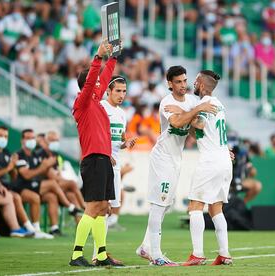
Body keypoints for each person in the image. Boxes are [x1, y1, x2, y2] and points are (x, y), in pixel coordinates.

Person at [135, 66, 217, 266]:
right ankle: (156, 256)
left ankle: (145, 247)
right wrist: (192, 112)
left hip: (176, 159)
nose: (183, 85)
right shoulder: (166, 102)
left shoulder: (190, 101)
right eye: (178, 82)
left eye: (185, 80)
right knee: (159, 205)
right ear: (169, 83)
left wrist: (186, 113)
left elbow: (198, 125)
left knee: (165, 206)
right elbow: (179, 124)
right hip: (162, 158)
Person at [70, 41, 120, 267]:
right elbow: (92, 81)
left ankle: (101, 254)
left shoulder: (96, 103)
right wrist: (97, 59)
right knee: (92, 207)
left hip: (103, 158)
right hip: (93, 160)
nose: (101, 85)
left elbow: (105, 76)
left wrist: (114, 57)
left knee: (103, 208)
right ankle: (76, 254)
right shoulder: (82, 102)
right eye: (98, 83)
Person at [179, 70, 233, 266]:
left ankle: (198, 254)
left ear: (202, 85)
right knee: (216, 208)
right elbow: (209, 133)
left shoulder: (205, 104)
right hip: (224, 160)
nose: (193, 84)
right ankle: (224, 254)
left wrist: (185, 118)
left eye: (195, 81)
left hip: (210, 160)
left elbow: (199, 125)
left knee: (195, 206)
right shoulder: (220, 104)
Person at [90, 75, 137, 266]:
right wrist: (104, 153)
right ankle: (97, 253)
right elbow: (94, 134)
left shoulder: (122, 113)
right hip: (101, 163)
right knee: (99, 208)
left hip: (115, 166)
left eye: (124, 91)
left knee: (107, 210)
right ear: (108, 90)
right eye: (118, 90)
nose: (121, 94)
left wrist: (127, 143)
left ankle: (99, 252)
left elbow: (119, 141)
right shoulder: (101, 107)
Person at [15, 129, 80, 237]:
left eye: (32, 138)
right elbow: (27, 175)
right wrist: (44, 167)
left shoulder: (36, 155)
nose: (31, 140)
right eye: (28, 138)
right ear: (22, 140)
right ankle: (73, 207)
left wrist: (46, 169)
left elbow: (45, 173)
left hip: (36, 185)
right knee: (55, 185)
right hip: (23, 186)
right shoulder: (20, 154)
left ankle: (53, 228)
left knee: (52, 196)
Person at [0, 126, 39, 236]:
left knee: (19, 195)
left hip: (6, 187)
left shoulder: (6, 153)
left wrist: (14, 168)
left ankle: (23, 228)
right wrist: (9, 167)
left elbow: (13, 176)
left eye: (5, 136)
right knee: (16, 197)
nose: (3, 138)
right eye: (0, 135)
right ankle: (28, 228)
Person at [38, 130, 85, 235]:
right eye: (53, 140)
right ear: (46, 141)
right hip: (42, 187)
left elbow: (57, 174)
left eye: (57, 140)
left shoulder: (55, 154)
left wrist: (56, 175)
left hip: (55, 188)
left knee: (70, 195)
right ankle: (83, 206)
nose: (55, 143)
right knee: (72, 183)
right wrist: (56, 176)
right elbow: (52, 176)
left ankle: (80, 228)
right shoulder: (41, 154)